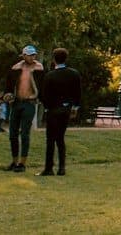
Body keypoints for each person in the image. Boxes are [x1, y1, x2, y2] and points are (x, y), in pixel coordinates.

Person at [38, 47, 81, 176]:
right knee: (60, 138)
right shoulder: (74, 74)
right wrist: (75, 107)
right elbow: (78, 92)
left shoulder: (50, 76)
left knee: (50, 139)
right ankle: (62, 167)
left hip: (53, 109)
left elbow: (44, 95)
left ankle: (48, 168)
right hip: (66, 108)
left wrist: (47, 107)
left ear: (54, 60)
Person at [3, 45, 44, 172]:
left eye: (34, 55)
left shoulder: (39, 69)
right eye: (30, 55)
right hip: (16, 103)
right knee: (12, 134)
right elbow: (9, 86)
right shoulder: (16, 68)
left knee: (25, 133)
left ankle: (22, 163)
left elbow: (43, 85)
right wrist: (7, 95)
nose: (32, 57)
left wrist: (41, 98)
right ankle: (14, 161)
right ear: (24, 55)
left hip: (29, 103)